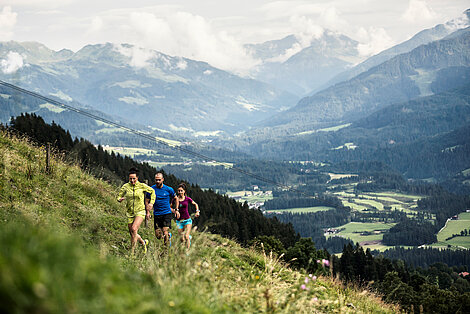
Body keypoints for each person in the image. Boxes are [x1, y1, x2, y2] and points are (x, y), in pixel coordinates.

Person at [117, 167, 155, 256]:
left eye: (134, 178)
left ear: (137, 178)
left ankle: (132, 253)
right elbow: (119, 196)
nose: (132, 180)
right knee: (132, 233)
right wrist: (119, 199)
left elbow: (152, 191)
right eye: (130, 178)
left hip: (140, 211)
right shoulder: (125, 186)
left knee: (134, 229)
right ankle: (143, 242)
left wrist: (151, 203)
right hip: (130, 212)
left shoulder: (141, 186)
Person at [148, 172, 179, 247]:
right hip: (157, 214)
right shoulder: (151, 189)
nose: (157, 181)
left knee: (165, 232)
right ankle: (168, 235)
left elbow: (176, 198)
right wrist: (148, 211)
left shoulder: (168, 189)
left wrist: (176, 209)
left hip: (166, 213)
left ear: (163, 180)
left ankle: (165, 251)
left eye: (159, 180)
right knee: (158, 236)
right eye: (156, 180)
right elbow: (146, 200)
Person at [175, 183, 200, 249]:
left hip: (187, 220)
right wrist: (175, 211)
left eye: (181, 190)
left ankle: (187, 252)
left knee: (186, 236)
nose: (180, 192)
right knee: (182, 239)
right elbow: (170, 207)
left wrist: (197, 211)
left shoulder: (187, 199)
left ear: (184, 191)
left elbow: (195, 204)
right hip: (179, 221)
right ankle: (183, 248)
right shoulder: (175, 199)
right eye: (179, 191)